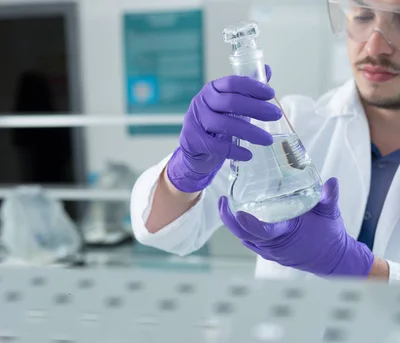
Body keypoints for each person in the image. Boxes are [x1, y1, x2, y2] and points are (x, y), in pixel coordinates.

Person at [131, 0, 400, 283]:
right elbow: (164, 230)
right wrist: (185, 172)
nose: (374, 47)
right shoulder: (293, 122)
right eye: (363, 16)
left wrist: (357, 268)